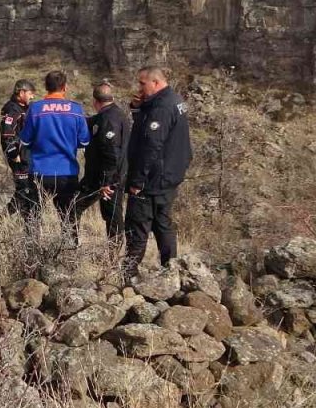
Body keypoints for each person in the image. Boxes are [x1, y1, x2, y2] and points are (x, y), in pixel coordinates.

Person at [123, 66, 193, 282]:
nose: (139, 87)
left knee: (137, 227)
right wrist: (138, 109)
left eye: (142, 83)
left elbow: (150, 145)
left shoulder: (161, 108)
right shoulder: (173, 100)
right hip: (168, 177)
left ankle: (128, 277)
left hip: (152, 179)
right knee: (163, 225)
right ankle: (171, 273)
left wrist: (137, 181)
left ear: (155, 82)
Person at [18, 70, 90, 244]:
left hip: (40, 172)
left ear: (46, 87)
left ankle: (32, 251)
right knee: (68, 218)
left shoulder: (35, 109)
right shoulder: (76, 109)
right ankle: (70, 251)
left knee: (33, 217)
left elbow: (25, 141)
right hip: (67, 172)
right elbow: (84, 141)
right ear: (64, 87)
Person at [76, 81, 131, 242]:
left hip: (106, 179)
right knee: (111, 214)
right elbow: (92, 121)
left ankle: (112, 254)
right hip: (110, 176)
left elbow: (111, 153)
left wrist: (107, 182)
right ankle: (114, 252)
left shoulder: (108, 120)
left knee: (76, 207)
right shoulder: (115, 114)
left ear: (95, 101)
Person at [0, 79, 36, 217]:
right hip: (19, 157)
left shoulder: (26, 108)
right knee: (24, 190)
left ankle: (27, 220)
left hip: (28, 155)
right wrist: (14, 154)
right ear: (21, 93)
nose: (32, 96)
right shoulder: (12, 110)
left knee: (29, 189)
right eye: (30, 93)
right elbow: (7, 135)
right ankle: (4, 218)